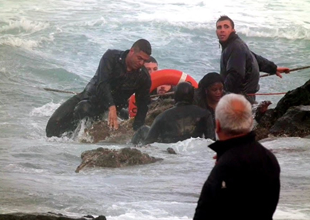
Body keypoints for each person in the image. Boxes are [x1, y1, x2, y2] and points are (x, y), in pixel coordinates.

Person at [193, 93, 281, 220]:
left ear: (217, 126)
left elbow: (204, 213)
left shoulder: (225, 167)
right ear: (250, 121)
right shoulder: (269, 159)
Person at [46, 39, 152, 137]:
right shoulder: (111, 57)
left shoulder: (143, 77)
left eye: (144, 61)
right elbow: (103, 84)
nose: (141, 63)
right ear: (132, 51)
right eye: (139, 58)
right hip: (90, 96)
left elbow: (143, 105)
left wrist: (137, 131)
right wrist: (111, 107)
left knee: (84, 109)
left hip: (107, 108)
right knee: (53, 126)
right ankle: (63, 141)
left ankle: (73, 138)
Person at [216, 15, 290, 103]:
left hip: (240, 100)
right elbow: (253, 58)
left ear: (233, 30)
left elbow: (235, 76)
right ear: (216, 31)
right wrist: (273, 68)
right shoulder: (235, 44)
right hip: (245, 97)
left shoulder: (235, 47)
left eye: (226, 26)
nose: (222, 30)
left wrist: (220, 94)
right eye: (219, 27)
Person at [131, 82, 215, 145]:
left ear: (175, 96)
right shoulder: (205, 114)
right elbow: (211, 140)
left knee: (143, 129)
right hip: (192, 150)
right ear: (192, 96)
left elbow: (148, 143)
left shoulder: (162, 117)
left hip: (170, 148)